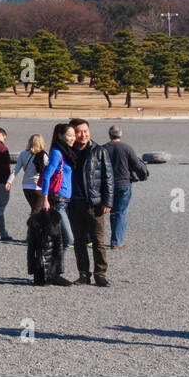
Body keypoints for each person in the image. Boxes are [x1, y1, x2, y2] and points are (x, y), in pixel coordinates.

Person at [64, 119, 113, 287]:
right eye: (79, 131)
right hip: (74, 203)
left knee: (98, 241)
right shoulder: (67, 151)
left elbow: (108, 178)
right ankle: (83, 274)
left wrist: (108, 201)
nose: (83, 134)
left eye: (86, 131)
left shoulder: (99, 151)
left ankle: (100, 274)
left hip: (94, 202)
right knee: (78, 241)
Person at [105, 125, 148, 248]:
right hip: (123, 184)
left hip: (106, 186)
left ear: (109, 135)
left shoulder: (103, 148)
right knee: (120, 213)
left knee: (101, 213)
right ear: (121, 135)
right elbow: (137, 165)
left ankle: (93, 239)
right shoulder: (127, 148)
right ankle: (116, 242)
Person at [38, 124, 75, 248]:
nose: (73, 138)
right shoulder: (57, 153)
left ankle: (55, 266)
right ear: (60, 136)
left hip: (65, 201)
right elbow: (46, 176)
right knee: (68, 239)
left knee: (59, 239)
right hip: (58, 200)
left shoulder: (67, 152)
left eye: (74, 135)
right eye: (69, 135)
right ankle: (55, 266)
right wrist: (45, 200)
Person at [7, 134, 48, 212]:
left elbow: (15, 170)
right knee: (37, 211)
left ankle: (36, 223)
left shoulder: (23, 154)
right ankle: (32, 224)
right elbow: (49, 171)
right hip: (38, 186)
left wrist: (9, 182)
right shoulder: (43, 155)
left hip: (26, 186)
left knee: (35, 209)